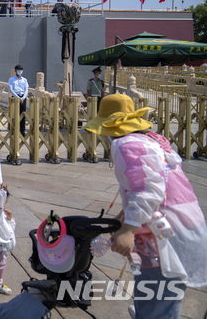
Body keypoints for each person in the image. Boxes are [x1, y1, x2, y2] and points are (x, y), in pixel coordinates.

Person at [83, 94, 207, 319]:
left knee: (158, 297)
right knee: (161, 295)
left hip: (163, 235)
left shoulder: (126, 144)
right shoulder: (150, 140)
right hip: (176, 226)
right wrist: (123, 218)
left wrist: (129, 228)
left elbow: (149, 190)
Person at [7, 64, 28, 136]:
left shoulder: (24, 80)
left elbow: (26, 89)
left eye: (21, 70)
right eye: (19, 70)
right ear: (15, 71)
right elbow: (10, 89)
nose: (20, 71)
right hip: (15, 97)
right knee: (15, 114)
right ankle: (14, 131)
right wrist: (17, 98)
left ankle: (22, 131)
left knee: (23, 114)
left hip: (23, 97)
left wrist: (23, 98)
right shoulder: (11, 79)